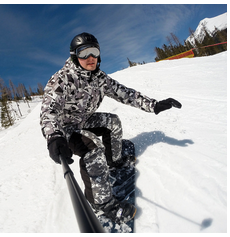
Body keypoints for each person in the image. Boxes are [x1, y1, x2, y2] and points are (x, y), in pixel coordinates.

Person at [40, 32, 181, 224]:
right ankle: (104, 205)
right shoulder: (63, 79)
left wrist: (154, 105)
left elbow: (126, 94)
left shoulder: (100, 78)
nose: (90, 58)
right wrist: (54, 137)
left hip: (84, 119)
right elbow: (49, 110)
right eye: (84, 53)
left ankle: (113, 161)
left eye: (94, 52)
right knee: (93, 149)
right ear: (75, 56)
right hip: (65, 128)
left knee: (112, 122)